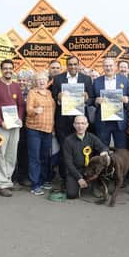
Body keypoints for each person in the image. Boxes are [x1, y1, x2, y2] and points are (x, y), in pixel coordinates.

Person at [51, 55, 94, 190]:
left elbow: (91, 98)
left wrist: (87, 98)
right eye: (70, 64)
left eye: (75, 64)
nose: (73, 67)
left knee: (81, 150)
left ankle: (83, 176)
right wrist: (58, 97)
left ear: (78, 65)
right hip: (63, 121)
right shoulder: (58, 79)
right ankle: (65, 178)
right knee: (65, 150)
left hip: (80, 121)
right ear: (67, 65)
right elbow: (53, 96)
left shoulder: (86, 79)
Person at [0, 59, 25, 197]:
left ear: (13, 69)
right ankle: (1, 183)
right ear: (1, 70)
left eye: (10, 68)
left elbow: (20, 105)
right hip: (1, 125)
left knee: (11, 154)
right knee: (1, 154)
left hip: (14, 125)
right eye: (5, 68)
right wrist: (0, 121)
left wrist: (19, 118)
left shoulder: (15, 86)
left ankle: (7, 180)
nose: (8, 70)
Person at [62, 115, 109, 199]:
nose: (80, 126)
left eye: (83, 123)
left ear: (87, 125)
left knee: (102, 160)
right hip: (75, 170)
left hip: (90, 169)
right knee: (71, 194)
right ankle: (75, 183)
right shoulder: (68, 140)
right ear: (74, 125)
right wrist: (79, 178)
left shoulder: (91, 137)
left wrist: (104, 152)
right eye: (78, 123)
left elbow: (103, 147)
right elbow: (68, 163)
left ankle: (94, 184)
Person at [26, 71, 56, 195]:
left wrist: (53, 127)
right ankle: (35, 184)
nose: (42, 81)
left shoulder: (49, 93)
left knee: (44, 157)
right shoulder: (32, 93)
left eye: (43, 79)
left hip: (48, 129)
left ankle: (43, 181)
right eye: (39, 79)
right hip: (34, 129)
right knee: (35, 158)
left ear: (47, 81)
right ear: (35, 82)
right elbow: (28, 110)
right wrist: (35, 110)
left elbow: (53, 110)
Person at [93, 57, 129, 150]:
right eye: (106, 66)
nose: (108, 68)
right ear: (103, 67)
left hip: (119, 122)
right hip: (103, 121)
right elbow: (91, 99)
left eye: (110, 65)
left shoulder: (125, 80)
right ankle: (105, 165)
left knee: (121, 149)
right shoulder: (96, 81)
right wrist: (96, 101)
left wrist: (127, 100)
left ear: (115, 67)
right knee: (102, 149)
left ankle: (119, 165)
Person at [12, 69, 34, 188]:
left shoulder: (31, 93)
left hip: (26, 127)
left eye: (23, 80)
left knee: (24, 153)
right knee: (12, 154)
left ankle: (23, 177)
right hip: (12, 126)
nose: (21, 82)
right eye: (19, 80)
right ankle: (12, 178)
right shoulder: (12, 91)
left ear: (27, 81)